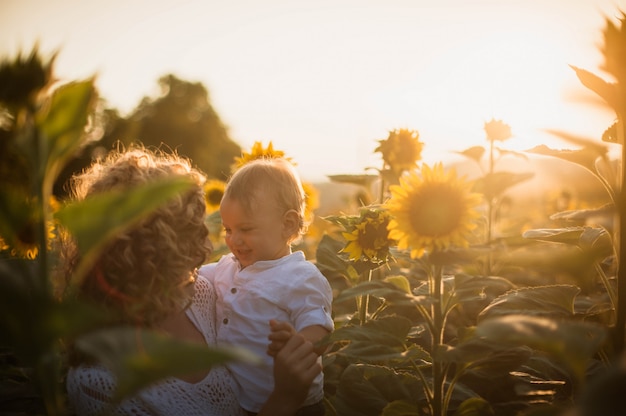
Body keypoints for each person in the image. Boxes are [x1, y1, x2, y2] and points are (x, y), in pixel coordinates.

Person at [60, 147, 321, 416]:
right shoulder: (100, 384)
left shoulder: (203, 296)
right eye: (194, 235)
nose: (209, 246)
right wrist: (284, 400)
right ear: (154, 251)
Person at [199, 157, 334, 416]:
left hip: (295, 405)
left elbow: (322, 331)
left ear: (288, 225)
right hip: (239, 402)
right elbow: (191, 278)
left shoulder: (300, 277)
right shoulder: (227, 265)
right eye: (228, 229)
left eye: (246, 229)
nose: (234, 240)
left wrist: (299, 343)